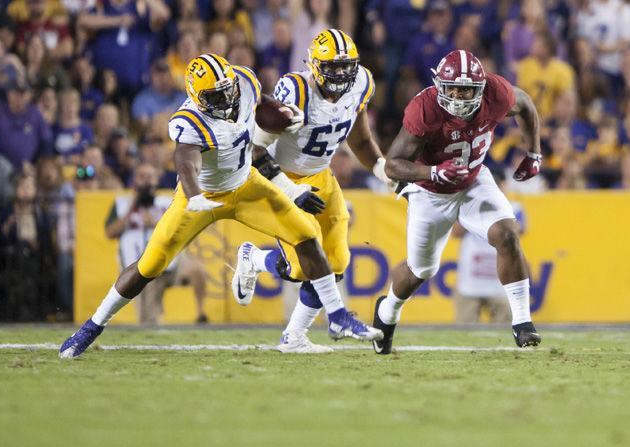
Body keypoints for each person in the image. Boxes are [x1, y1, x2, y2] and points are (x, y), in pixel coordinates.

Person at [59, 52, 381, 358]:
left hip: (247, 186)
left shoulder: (242, 81)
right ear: (197, 98)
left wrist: (283, 116)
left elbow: (260, 109)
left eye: (226, 90)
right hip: (202, 198)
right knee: (149, 266)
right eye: (214, 96)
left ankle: (337, 315)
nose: (225, 99)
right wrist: (195, 195)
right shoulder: (188, 121)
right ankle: (92, 326)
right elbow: (185, 162)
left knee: (308, 238)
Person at [230, 29, 394, 353]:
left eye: (347, 66)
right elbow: (255, 153)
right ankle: (254, 259)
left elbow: (359, 140)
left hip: (321, 175)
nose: (343, 74)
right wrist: (291, 191)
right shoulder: (296, 91)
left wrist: (382, 171)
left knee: (335, 261)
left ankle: (294, 337)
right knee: (302, 267)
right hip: (279, 177)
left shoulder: (362, 83)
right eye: (333, 67)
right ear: (315, 66)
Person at [372, 50, 543, 354]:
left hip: (474, 180)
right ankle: (387, 314)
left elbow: (526, 104)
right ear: (440, 86)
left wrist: (534, 153)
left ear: (481, 88)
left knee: (506, 234)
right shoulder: (424, 108)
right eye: (452, 88)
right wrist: (433, 172)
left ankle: (522, 322)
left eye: (466, 89)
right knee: (419, 271)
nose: (458, 96)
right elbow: (393, 164)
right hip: (430, 192)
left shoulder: (497, 92)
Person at [104, 163, 208, 323]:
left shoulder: (167, 201)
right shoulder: (122, 203)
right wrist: (133, 207)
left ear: (156, 180)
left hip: (169, 262)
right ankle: (151, 336)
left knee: (197, 270)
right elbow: (110, 232)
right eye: (141, 177)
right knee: (147, 319)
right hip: (139, 268)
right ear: (134, 180)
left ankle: (201, 314)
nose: (145, 182)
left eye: (149, 177)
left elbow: (182, 230)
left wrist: (154, 223)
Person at [453, 170, 524, 324]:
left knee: (505, 329)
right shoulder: (467, 205)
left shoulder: (513, 207)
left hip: (500, 278)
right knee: (464, 330)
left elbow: (519, 230)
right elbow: (455, 232)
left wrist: (492, 213)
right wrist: (478, 213)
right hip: (471, 279)